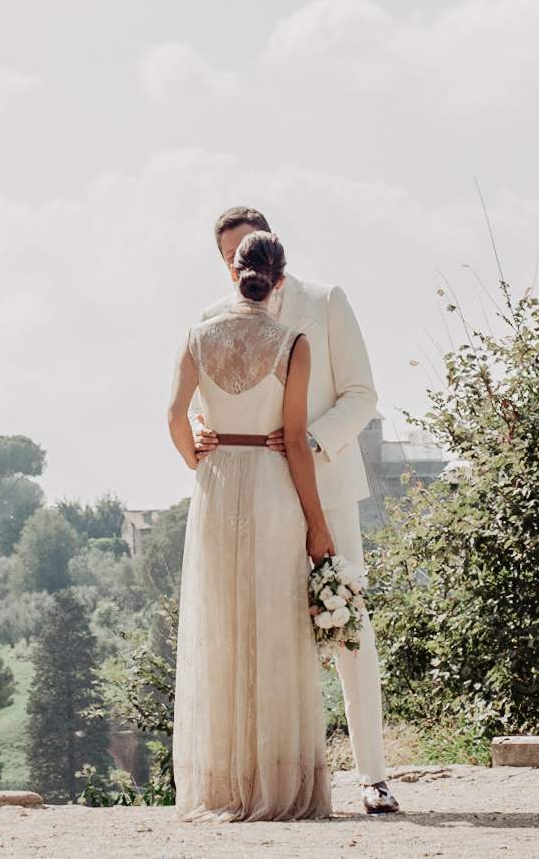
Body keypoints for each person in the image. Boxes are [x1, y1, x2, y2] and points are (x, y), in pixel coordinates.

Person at [193, 206, 399, 815]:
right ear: (223, 262)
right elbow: (201, 403)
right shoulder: (208, 324)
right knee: (255, 635)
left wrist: (310, 441)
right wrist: (203, 428)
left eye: (253, 254)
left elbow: (362, 394)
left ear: (275, 249)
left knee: (347, 629)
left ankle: (374, 775)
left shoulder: (326, 301)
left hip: (326, 493)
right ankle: (270, 779)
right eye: (234, 258)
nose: (245, 267)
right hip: (248, 503)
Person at [167, 228, 331, 821]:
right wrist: (318, 525)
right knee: (274, 627)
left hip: (216, 487)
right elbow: (293, 440)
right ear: (279, 281)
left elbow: (173, 418)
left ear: (233, 274)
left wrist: (199, 455)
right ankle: (276, 784)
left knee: (223, 625)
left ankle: (224, 786)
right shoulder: (292, 342)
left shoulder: (196, 336)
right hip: (269, 486)